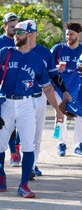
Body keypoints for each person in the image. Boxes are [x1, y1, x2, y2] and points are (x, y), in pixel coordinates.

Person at [0, 20, 64, 198]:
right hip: (5, 102)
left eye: (20, 32)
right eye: (14, 32)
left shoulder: (37, 60)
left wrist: (58, 111)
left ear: (29, 35)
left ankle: (23, 185)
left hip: (27, 104)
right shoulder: (5, 52)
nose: (15, 35)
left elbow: (47, 87)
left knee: (28, 145)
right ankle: (0, 175)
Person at [25, 20, 72, 179]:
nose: (30, 35)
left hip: (40, 97)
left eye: (32, 32)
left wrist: (64, 91)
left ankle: (31, 166)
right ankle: (23, 162)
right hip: (21, 99)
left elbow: (54, 75)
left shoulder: (45, 53)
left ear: (36, 33)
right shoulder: (15, 50)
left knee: (37, 135)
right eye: (27, 32)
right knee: (26, 135)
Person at [0, 12, 21, 167]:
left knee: (18, 124)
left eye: (17, 25)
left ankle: (14, 151)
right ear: (5, 26)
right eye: (11, 26)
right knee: (3, 125)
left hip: (19, 89)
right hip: (2, 90)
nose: (14, 29)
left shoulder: (22, 40)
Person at [50, 21, 82, 157]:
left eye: (72, 34)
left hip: (77, 88)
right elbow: (48, 65)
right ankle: (61, 143)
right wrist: (57, 68)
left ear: (79, 35)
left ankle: (78, 144)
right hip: (60, 88)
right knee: (60, 115)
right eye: (67, 34)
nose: (69, 37)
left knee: (80, 117)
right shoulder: (58, 48)